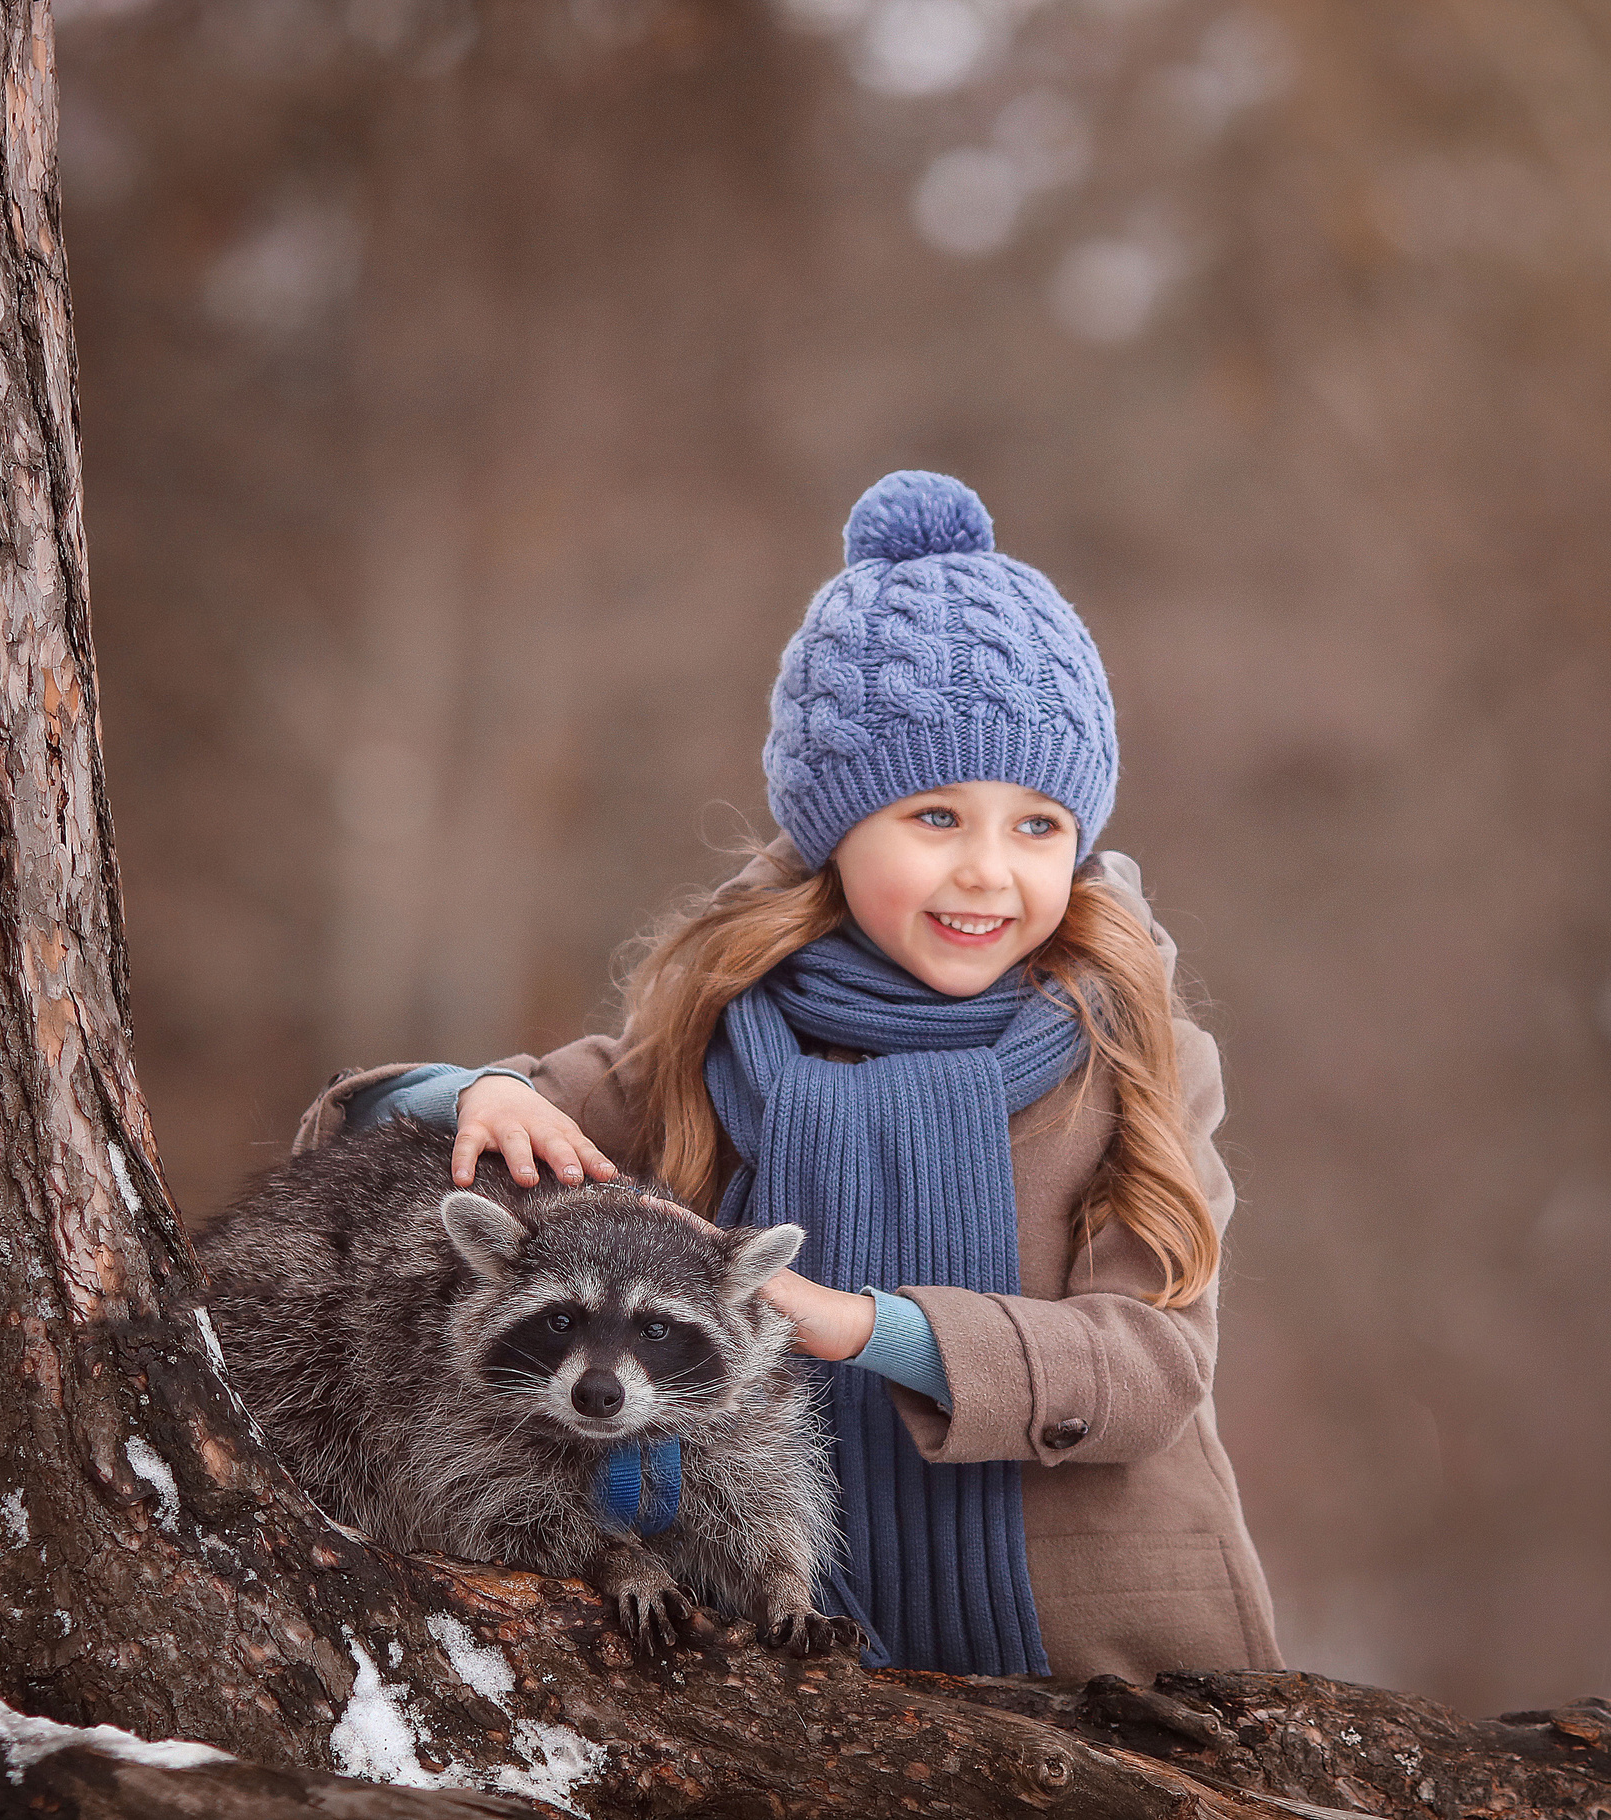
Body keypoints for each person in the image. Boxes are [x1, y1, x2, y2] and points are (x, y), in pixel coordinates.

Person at [288, 470, 1282, 1682]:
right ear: (833, 827)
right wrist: (469, 1095)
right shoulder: (724, 1029)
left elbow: (1147, 1364)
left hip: (1105, 1654)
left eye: (1038, 826)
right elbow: (397, 1126)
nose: (987, 871)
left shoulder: (1133, 1054)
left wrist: (863, 1325)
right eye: (933, 816)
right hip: (790, 1642)